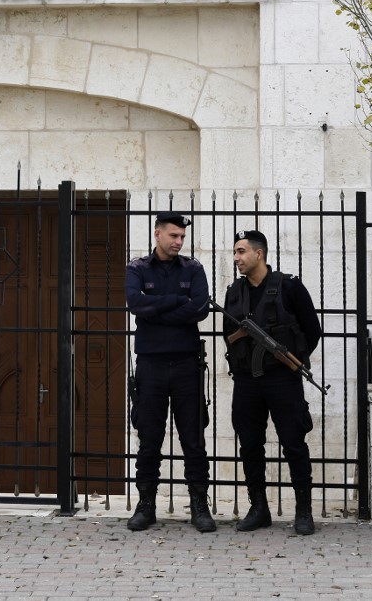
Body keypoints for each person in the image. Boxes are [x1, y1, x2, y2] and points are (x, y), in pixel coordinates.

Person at [222, 230, 322, 536]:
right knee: (250, 445)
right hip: (247, 382)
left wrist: (288, 360)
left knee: (293, 443)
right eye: (235, 253)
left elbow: (312, 331)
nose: (236, 258)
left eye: (241, 252)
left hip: (282, 380)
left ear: (259, 254)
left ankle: (303, 511)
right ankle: (258, 508)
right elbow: (228, 334)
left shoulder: (289, 286)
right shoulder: (234, 293)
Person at [124, 212, 215, 533]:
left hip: (186, 365)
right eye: (173, 236)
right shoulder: (137, 268)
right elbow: (135, 303)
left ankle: (199, 506)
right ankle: (145, 505)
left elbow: (201, 307)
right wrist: (178, 301)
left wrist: (157, 309)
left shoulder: (193, 269)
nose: (178, 242)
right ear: (157, 234)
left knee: (194, 439)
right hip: (150, 366)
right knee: (149, 438)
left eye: (182, 237)